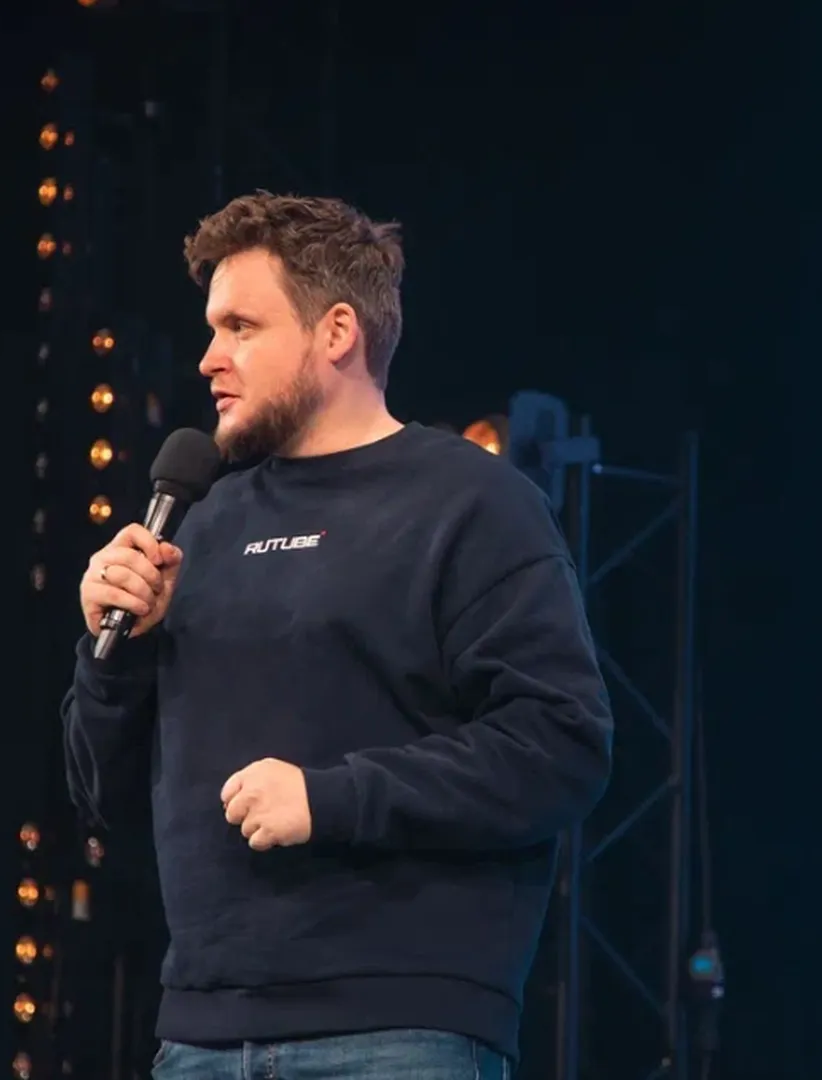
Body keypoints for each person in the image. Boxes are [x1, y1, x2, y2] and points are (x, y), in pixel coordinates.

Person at [61, 191, 613, 1079]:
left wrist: (334, 799)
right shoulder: (201, 523)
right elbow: (105, 799)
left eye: (241, 327)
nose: (209, 358)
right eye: (211, 329)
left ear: (337, 332)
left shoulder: (470, 502)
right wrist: (112, 659)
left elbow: (560, 745)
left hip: (400, 1030)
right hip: (199, 1036)